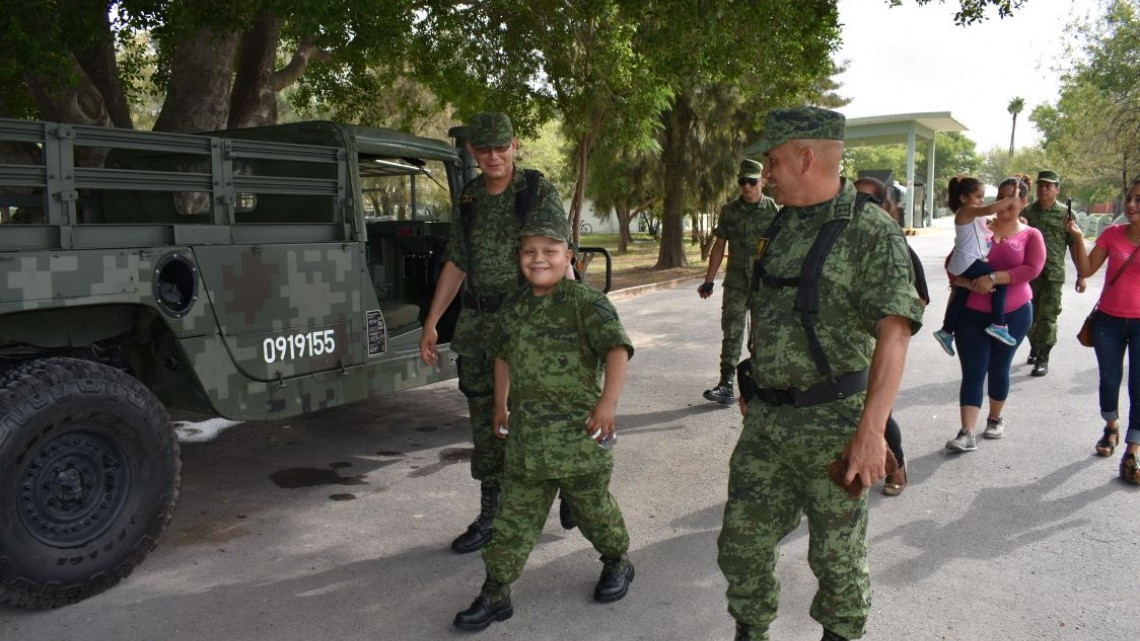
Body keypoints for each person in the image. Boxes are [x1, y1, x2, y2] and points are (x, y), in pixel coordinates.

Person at [718, 107, 924, 641]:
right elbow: (771, 312)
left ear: (805, 157)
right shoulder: (778, 223)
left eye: (773, 159)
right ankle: (751, 631)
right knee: (739, 545)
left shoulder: (869, 230)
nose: (766, 172)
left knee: (836, 559)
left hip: (835, 424)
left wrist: (872, 433)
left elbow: (895, 334)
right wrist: (754, 377)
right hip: (768, 422)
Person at [452, 209, 635, 630]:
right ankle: (496, 592)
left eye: (549, 251)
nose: (539, 258)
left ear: (568, 255)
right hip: (528, 441)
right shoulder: (513, 307)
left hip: (579, 438)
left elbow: (617, 350)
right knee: (512, 520)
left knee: (595, 515)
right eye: (530, 251)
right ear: (520, 256)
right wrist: (501, 404)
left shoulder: (586, 304)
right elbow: (501, 354)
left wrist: (608, 404)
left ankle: (617, 562)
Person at [419, 112, 577, 554]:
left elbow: (553, 256)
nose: (493, 156)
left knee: (541, 415)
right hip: (479, 327)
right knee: (485, 424)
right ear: (472, 151)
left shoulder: (536, 191)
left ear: (515, 144)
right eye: (484, 148)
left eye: (501, 147)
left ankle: (570, 484)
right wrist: (432, 321)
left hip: (529, 323)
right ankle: (492, 514)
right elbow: (457, 260)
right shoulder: (469, 198)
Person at [944, 176, 1044, 452]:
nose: (1003, 202)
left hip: (1013, 315)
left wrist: (994, 278)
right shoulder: (978, 225)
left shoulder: (1030, 234)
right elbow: (953, 262)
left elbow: (1032, 269)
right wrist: (963, 282)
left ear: (1023, 202)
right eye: (999, 195)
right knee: (973, 371)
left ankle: (995, 417)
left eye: (1011, 196)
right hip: (971, 315)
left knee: (999, 367)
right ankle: (966, 432)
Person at [853, 177, 930, 496]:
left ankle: (896, 463)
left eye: (866, 201)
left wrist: (886, 328)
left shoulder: (895, 245)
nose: (857, 208)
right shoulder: (836, 242)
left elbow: (920, 298)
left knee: (876, 408)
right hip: (836, 350)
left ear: (884, 207)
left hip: (873, 345)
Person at [1065, 177, 1140, 485]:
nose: (1131, 205)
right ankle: (1111, 425)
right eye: (1130, 198)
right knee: (1109, 380)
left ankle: (1132, 449)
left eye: (1139, 200)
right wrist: (1078, 238)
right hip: (1108, 321)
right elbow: (1086, 270)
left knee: (1139, 384)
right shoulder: (1112, 234)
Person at [699, 159, 780, 406]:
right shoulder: (729, 211)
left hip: (763, 285)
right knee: (731, 333)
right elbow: (719, 244)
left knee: (760, 337)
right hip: (735, 283)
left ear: (762, 182)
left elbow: (782, 248)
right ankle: (726, 384)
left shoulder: (774, 211)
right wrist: (709, 281)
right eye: (742, 181)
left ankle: (759, 385)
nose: (746, 186)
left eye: (751, 181)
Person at [931, 176, 1022, 356]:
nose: (982, 201)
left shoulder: (974, 215)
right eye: (978, 197)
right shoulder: (965, 211)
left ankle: (946, 331)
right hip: (968, 262)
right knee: (998, 280)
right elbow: (990, 209)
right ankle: (998, 324)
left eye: (983, 197)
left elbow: (987, 221)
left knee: (961, 296)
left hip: (963, 263)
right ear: (964, 198)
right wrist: (1011, 198)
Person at [1022, 170, 1085, 376]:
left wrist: (1081, 275)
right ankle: (1035, 344)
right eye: (1041, 185)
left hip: (1052, 275)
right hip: (1029, 275)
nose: (1043, 189)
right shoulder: (1027, 213)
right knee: (1029, 317)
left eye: (1049, 186)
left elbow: (1074, 247)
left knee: (1048, 317)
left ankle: (1043, 357)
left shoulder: (1067, 215)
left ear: (1057, 189)